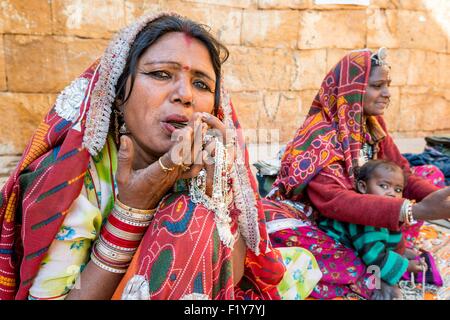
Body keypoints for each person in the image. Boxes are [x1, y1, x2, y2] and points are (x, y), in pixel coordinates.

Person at [0, 12, 286, 300]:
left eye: (201, 84)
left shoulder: (206, 163)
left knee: (192, 218)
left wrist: (214, 197)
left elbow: (228, 281)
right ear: (118, 93)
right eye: (161, 74)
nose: (185, 94)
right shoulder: (73, 179)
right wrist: (131, 210)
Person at [266, 48, 450, 300]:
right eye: (377, 86)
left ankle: (384, 256)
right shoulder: (320, 136)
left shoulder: (371, 124)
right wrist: (415, 211)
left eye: (388, 85)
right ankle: (375, 269)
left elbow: (403, 173)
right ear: (352, 90)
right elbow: (335, 203)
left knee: (432, 175)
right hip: (323, 221)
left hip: (365, 214)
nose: (387, 93)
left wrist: (440, 201)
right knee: (291, 245)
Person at [317, 159, 428, 297]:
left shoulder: (387, 212)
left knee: (384, 257)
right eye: (384, 186)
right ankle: (378, 287)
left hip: (365, 245)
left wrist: (402, 251)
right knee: (362, 265)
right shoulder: (364, 217)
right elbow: (373, 256)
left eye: (398, 189)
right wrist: (406, 266)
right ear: (363, 187)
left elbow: (391, 237)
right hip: (336, 246)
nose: (392, 193)